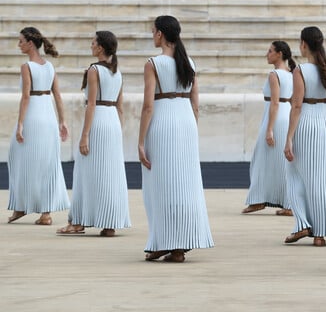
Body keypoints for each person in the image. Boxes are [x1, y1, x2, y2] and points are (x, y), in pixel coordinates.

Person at [138, 15, 214, 262]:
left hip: (163, 123)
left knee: (160, 184)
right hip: (185, 124)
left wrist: (140, 142)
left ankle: (165, 241)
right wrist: (192, 128)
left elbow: (148, 106)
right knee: (184, 184)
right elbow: (195, 104)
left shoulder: (154, 63)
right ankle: (178, 244)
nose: (152, 36)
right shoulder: (188, 62)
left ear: (160, 34)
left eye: (153, 32)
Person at [56, 31, 131, 236]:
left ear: (100, 48)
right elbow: (120, 106)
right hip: (113, 123)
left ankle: (78, 221)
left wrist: (85, 135)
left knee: (85, 171)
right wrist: (118, 130)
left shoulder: (94, 70)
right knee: (110, 173)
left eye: (93, 43)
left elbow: (91, 105)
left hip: (97, 122)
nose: (91, 46)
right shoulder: (118, 72)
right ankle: (109, 222)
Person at [283, 26, 326, 247]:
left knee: (296, 175)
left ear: (304, 44)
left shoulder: (300, 70)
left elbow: (296, 106)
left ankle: (303, 223)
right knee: (323, 179)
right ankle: (320, 232)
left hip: (306, 125)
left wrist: (289, 138)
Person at [7, 27, 70, 225]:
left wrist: (19, 124)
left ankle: (21, 206)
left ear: (30, 44)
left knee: (17, 156)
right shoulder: (49, 66)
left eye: (21, 41)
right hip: (48, 115)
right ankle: (44, 213)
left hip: (34, 115)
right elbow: (58, 96)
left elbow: (26, 96)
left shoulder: (27, 67)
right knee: (46, 161)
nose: (19, 45)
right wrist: (62, 121)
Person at [242, 41, 295, 216]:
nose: (267, 54)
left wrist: (269, 129)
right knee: (281, 162)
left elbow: (274, 103)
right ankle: (286, 202)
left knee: (260, 159)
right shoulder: (292, 73)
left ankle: (259, 200)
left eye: (270, 51)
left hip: (276, 118)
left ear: (279, 54)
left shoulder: (275, 75)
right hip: (286, 115)